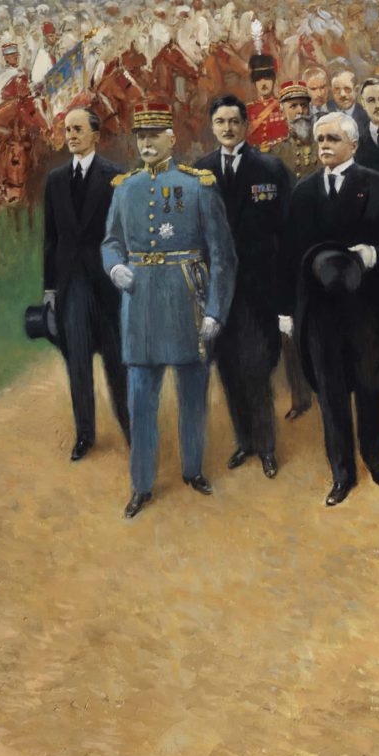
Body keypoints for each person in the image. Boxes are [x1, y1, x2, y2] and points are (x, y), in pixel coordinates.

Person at [100, 106, 235, 520]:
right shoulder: (125, 188)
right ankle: (141, 484)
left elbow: (222, 256)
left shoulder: (198, 186)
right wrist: (115, 265)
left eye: (155, 135)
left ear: (171, 139)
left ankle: (193, 470)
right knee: (140, 399)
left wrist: (215, 309)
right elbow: (110, 241)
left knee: (193, 394)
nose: (146, 143)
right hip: (139, 305)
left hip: (186, 301)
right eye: (141, 136)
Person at [278, 111, 379, 502]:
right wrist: (286, 310)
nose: (324, 146)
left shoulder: (378, 186)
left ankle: (373, 457)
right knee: (331, 394)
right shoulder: (304, 192)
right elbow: (287, 255)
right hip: (319, 312)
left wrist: (373, 255)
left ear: (353, 145)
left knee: (370, 388)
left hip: (368, 309)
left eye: (333, 139)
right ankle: (342, 474)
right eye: (320, 139)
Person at [197, 95, 289, 479]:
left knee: (255, 367)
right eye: (220, 122)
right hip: (218, 292)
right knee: (227, 367)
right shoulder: (199, 172)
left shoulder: (270, 167)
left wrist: (285, 297)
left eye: (234, 121)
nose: (228, 129)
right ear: (212, 126)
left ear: (246, 124)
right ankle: (244, 442)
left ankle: (266, 446)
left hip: (257, 287)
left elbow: (286, 232)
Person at [40, 102, 129, 462]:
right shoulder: (56, 181)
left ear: (96, 135)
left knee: (117, 360)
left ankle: (130, 426)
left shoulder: (116, 176)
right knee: (77, 361)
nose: (72, 136)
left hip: (107, 285)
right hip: (71, 287)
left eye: (78, 130)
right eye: (67, 131)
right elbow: (51, 239)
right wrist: (49, 290)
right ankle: (85, 434)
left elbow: (125, 234)